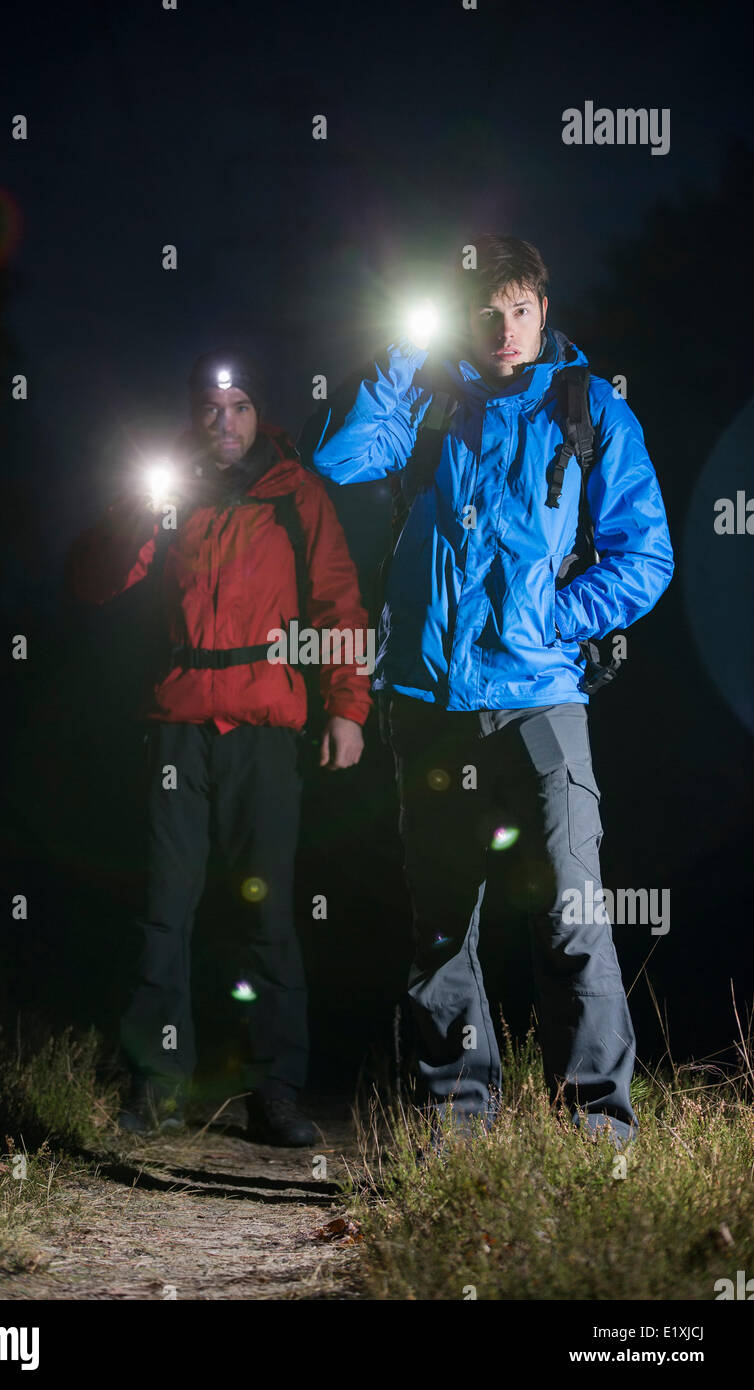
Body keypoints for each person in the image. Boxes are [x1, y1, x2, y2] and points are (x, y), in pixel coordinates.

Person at [301, 235, 674, 1147]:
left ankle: (600, 1141)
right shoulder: (429, 402)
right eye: (485, 312)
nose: (504, 329)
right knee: (441, 930)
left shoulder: (591, 410)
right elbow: (340, 460)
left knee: (572, 915)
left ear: (544, 312)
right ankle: (454, 1135)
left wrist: (554, 616)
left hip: (544, 701)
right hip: (429, 706)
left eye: (520, 309)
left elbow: (646, 555)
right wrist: (398, 351)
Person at [65, 349, 369, 1144]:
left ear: (257, 413)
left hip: (267, 726)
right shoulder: (171, 494)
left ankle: (277, 1093)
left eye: (238, 408)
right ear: (193, 417)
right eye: (210, 409)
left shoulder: (297, 493)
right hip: (178, 724)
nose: (225, 422)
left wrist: (349, 709)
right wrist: (138, 502)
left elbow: (339, 605)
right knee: (164, 910)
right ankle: (157, 1088)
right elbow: (95, 581)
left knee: (265, 915)